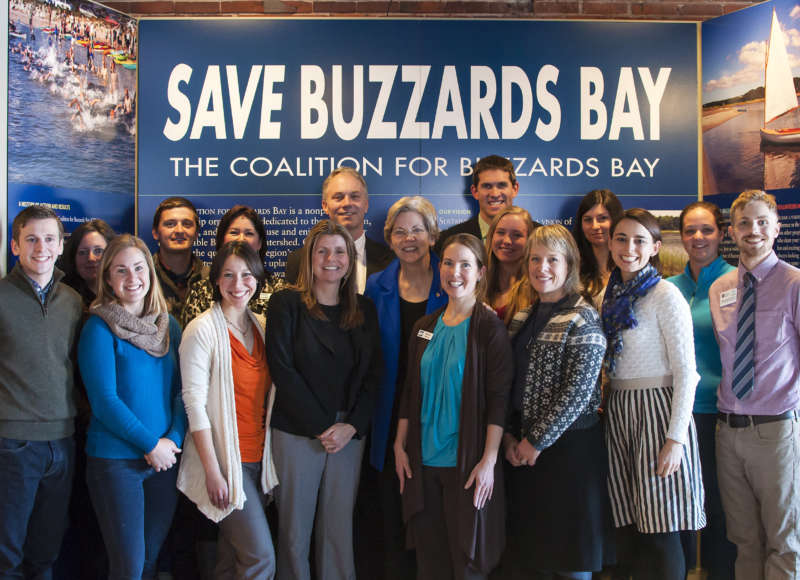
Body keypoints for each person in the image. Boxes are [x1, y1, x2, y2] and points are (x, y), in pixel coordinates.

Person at [266, 219, 382, 580]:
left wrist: (351, 426)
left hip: (348, 435)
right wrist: (322, 427)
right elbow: (282, 370)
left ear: (350, 258)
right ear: (309, 258)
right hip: (299, 432)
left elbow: (375, 375)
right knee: (294, 532)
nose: (331, 259)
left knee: (338, 529)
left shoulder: (365, 309)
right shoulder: (286, 303)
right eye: (322, 251)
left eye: (340, 251)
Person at [394, 233, 513, 580]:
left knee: (466, 563)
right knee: (430, 564)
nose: (454, 271)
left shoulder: (489, 328)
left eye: (465, 264)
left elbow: (498, 399)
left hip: (467, 465)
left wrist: (489, 460)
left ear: (480, 272)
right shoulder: (423, 327)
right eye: (448, 262)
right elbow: (409, 391)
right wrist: (399, 446)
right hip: (422, 463)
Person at [603, 208, 705, 580]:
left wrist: (675, 438)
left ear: (655, 247)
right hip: (620, 411)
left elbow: (686, 372)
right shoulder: (608, 293)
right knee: (631, 528)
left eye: (639, 240)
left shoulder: (666, 295)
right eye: (621, 238)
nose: (629, 248)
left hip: (658, 413)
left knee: (661, 529)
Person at [504, 224, 610, 580]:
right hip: (522, 452)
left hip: (569, 455)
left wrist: (536, 441)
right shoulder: (522, 316)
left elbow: (579, 393)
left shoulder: (583, 316)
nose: (542, 267)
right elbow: (507, 382)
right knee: (534, 558)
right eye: (535, 259)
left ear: (569, 265)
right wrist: (510, 437)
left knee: (570, 560)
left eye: (552, 259)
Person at [78, 234, 186, 580]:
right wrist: (150, 445)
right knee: (129, 567)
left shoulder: (169, 326)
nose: (132, 278)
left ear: (150, 272)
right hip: (116, 462)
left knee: (150, 560)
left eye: (139, 268)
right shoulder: (98, 327)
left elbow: (183, 393)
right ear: (107, 278)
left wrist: (171, 440)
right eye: (121, 270)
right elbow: (105, 401)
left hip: (163, 462)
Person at [709, 190, 800, 580]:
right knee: (743, 540)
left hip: (776, 431)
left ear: (777, 228)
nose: (753, 230)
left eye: (762, 221)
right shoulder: (720, 289)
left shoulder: (795, 283)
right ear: (732, 230)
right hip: (727, 431)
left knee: (784, 540)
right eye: (744, 223)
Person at [178, 241, 278, 580]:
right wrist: (213, 470)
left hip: (257, 460)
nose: (238, 284)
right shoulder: (202, 329)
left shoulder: (263, 326)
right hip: (224, 463)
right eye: (228, 275)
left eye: (247, 275)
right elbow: (194, 404)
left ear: (258, 279)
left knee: (229, 561)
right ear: (216, 281)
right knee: (260, 559)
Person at [362, 196, 449, 579]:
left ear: (433, 235)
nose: (409, 238)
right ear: (389, 238)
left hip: (439, 415)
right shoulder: (375, 286)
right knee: (391, 514)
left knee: (432, 516)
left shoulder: (451, 279)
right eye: (400, 231)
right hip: (386, 415)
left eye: (417, 230)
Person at [0, 206, 83, 578]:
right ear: (15, 245)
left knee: (47, 550)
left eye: (50, 239)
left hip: (63, 441)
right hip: (13, 443)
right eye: (31, 239)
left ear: (61, 245)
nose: (41, 247)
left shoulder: (73, 301)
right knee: (7, 553)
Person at [667, 201, 736, 580]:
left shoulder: (737, 281)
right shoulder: (668, 288)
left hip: (719, 412)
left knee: (717, 505)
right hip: (678, 413)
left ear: (722, 234)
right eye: (690, 230)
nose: (698, 237)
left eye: (707, 229)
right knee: (677, 505)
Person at [284, 168, 393, 292]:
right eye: (338, 197)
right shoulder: (299, 261)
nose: (347, 203)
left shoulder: (391, 262)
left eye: (355, 196)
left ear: (366, 205)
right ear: (325, 206)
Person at [181, 204, 281, 327]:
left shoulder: (278, 290)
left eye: (249, 233)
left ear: (260, 243)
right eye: (234, 232)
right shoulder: (200, 292)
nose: (241, 239)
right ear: (222, 240)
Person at [435, 155, 521, 253]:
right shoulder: (447, 241)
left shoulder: (536, 235)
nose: (495, 194)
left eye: (501, 185)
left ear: (515, 189)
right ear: (475, 191)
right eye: (487, 186)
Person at [151, 196, 208, 321]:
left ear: (197, 233)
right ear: (155, 233)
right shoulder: (142, 278)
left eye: (187, 224)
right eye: (170, 224)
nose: (179, 230)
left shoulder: (212, 278)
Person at [484, 206, 536, 323]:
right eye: (501, 232)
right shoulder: (477, 284)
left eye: (517, 235)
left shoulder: (537, 290)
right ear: (491, 236)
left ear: (529, 240)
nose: (507, 241)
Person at [573, 189, 624, 306]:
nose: (595, 226)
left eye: (602, 218)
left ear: (616, 220)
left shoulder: (630, 268)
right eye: (588, 220)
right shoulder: (572, 271)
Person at [60, 218, 115, 308]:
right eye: (82, 252)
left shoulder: (123, 293)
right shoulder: (65, 300)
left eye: (98, 251)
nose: (91, 258)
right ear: (73, 258)